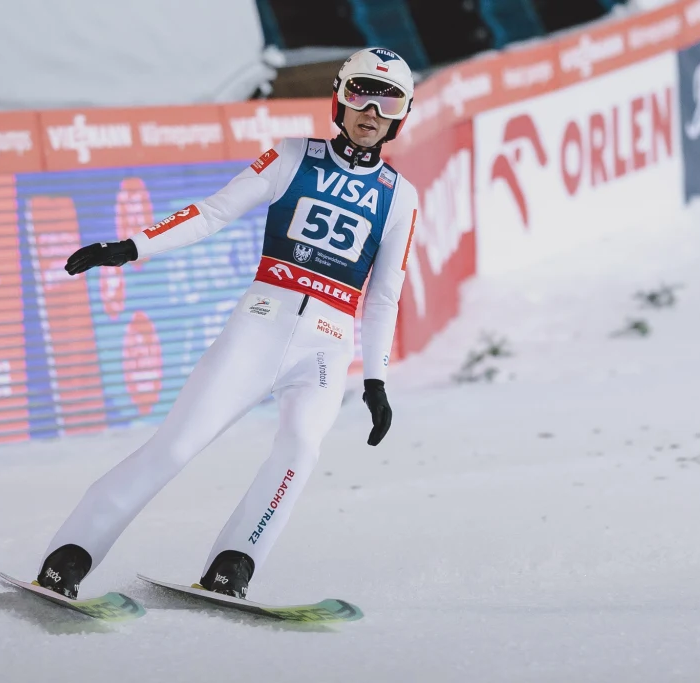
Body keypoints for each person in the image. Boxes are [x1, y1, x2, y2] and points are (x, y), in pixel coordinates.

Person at [35, 48, 419, 600]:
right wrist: (131, 247)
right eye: (361, 94)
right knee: (176, 447)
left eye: (389, 103)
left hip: (326, 348)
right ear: (339, 97)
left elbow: (384, 297)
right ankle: (68, 557)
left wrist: (376, 380)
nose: (372, 112)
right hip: (259, 327)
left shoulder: (400, 197)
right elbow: (213, 212)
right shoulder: (292, 155)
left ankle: (233, 566)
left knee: (300, 450)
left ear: (402, 115)